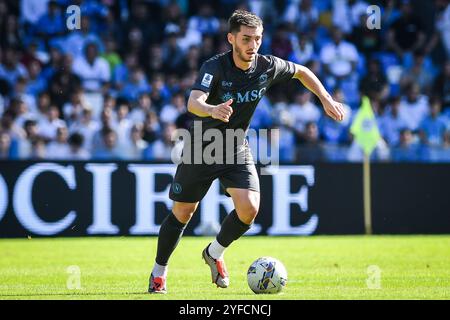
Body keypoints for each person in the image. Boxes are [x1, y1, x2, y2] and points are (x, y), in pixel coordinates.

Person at [148, 10, 345, 294]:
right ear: (231, 39)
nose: (253, 45)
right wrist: (212, 109)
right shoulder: (214, 67)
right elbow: (193, 102)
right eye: (246, 39)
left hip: (235, 147)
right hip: (203, 147)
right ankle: (159, 272)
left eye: (257, 38)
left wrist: (325, 98)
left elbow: (302, 71)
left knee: (250, 208)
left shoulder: (267, 65)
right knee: (183, 212)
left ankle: (214, 253)